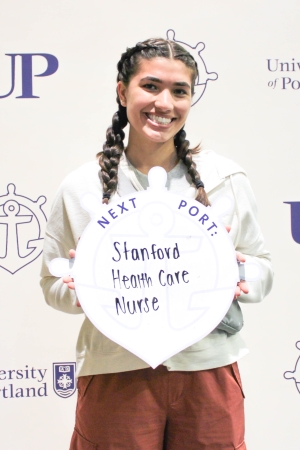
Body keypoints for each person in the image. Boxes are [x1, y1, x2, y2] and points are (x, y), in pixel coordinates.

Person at [40, 38, 273, 450]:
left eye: (179, 91)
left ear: (189, 100)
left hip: (208, 369)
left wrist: (239, 272)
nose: (164, 103)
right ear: (122, 91)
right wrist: (81, 290)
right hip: (116, 370)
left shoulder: (225, 179)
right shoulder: (80, 187)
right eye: (150, 86)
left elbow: (263, 269)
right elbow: (52, 285)